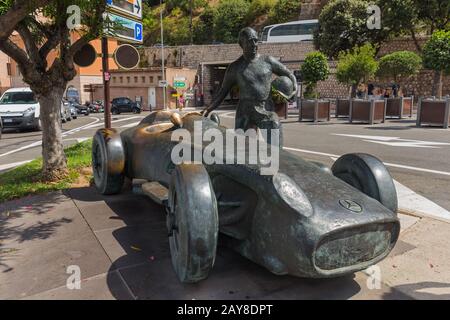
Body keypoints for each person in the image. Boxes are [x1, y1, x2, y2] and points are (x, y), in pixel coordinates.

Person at [203, 27, 297, 145]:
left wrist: (295, 89)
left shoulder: (267, 61)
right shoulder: (235, 68)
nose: (254, 44)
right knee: (242, 148)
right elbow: (222, 92)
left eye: (255, 40)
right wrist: (208, 109)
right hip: (245, 110)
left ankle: (277, 160)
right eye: (249, 41)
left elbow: (288, 73)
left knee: (274, 125)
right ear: (242, 44)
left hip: (264, 107)